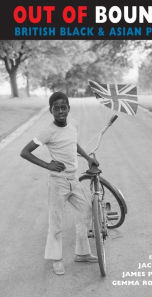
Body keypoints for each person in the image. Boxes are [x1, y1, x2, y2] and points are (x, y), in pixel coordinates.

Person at [20, 91, 99, 275]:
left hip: (74, 179)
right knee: (56, 221)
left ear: (69, 109)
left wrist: (88, 158)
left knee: (86, 210)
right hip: (58, 182)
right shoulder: (48, 131)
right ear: (51, 110)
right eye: (57, 108)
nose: (61, 111)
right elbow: (25, 152)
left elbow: (74, 143)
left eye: (64, 107)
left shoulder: (72, 125)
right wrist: (48, 165)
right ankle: (56, 259)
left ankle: (82, 253)